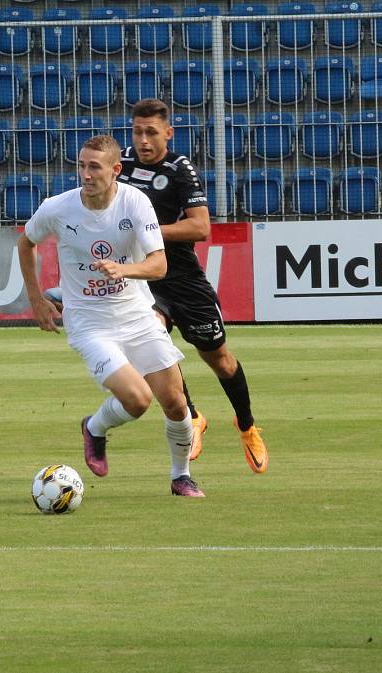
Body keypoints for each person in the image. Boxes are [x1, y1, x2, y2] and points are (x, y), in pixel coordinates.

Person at [18, 134, 205, 498]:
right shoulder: (58, 208)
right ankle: (95, 428)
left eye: (94, 167)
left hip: (137, 314)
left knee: (177, 402)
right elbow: (26, 242)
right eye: (81, 165)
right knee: (137, 399)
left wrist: (125, 270)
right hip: (90, 322)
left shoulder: (135, 203)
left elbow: (158, 265)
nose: (85, 174)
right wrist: (36, 298)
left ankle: (181, 476)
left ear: (116, 170)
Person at [117, 98, 268, 473]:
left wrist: (148, 231)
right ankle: (193, 415)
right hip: (146, 278)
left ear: (168, 133)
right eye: (137, 132)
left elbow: (201, 227)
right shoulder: (121, 165)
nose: (143, 140)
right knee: (152, 341)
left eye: (151, 132)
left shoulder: (179, 169)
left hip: (183, 279)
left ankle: (246, 425)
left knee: (219, 359)